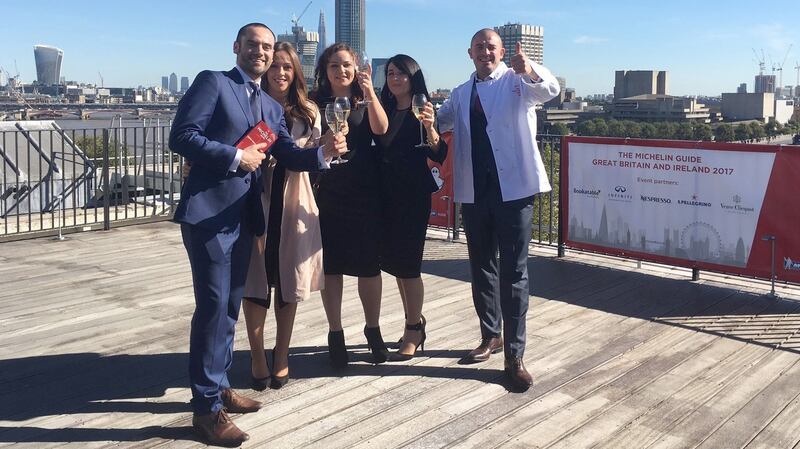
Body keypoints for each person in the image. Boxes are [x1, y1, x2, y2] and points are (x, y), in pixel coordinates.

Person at [169, 23, 346, 447]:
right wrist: (235, 155)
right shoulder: (213, 83)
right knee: (212, 309)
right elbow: (182, 136)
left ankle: (220, 386)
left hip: (244, 218)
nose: (261, 53)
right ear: (237, 47)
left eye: (267, 47)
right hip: (210, 214)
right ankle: (206, 411)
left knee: (230, 308)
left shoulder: (268, 105)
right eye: (254, 45)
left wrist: (324, 152)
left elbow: (289, 154)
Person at [436, 29, 560, 391]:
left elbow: (549, 90)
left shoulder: (517, 83)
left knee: (515, 271)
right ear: (469, 52)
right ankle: (490, 335)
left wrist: (530, 68)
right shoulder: (460, 94)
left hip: (514, 192)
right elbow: (438, 123)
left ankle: (514, 355)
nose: (485, 52)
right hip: (475, 192)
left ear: (502, 51)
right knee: (481, 266)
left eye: (491, 47)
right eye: (479, 47)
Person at [310, 43, 390, 367]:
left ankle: (373, 331)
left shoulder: (363, 96)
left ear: (356, 67)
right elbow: (307, 141)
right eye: (334, 65)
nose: (341, 71)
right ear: (325, 69)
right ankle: (335, 333)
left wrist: (370, 93)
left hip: (364, 191)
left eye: (346, 65)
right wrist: (325, 142)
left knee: (369, 267)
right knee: (332, 267)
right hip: (328, 192)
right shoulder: (314, 102)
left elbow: (381, 129)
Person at [376, 54, 447, 360]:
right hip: (386, 194)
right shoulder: (385, 108)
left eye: (401, 73)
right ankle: (413, 323)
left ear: (412, 77)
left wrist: (431, 128)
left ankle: (413, 328)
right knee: (395, 264)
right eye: (390, 73)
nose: (394, 78)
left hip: (413, 194)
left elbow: (439, 152)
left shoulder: (426, 109)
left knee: (409, 264)